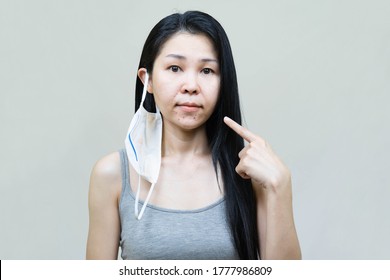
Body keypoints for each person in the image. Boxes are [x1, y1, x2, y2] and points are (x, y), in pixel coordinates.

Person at [86, 10, 301, 260]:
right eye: (175, 68)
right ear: (148, 80)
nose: (191, 85)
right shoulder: (112, 175)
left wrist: (280, 185)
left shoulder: (252, 174)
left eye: (207, 71)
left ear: (224, 82)